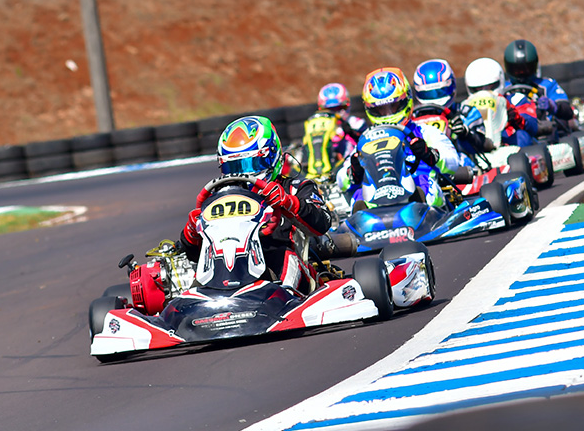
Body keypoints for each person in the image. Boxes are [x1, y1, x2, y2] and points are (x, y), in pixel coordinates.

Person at [176, 115, 332, 295]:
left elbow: (322, 223)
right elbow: (196, 254)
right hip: (231, 271)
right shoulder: (218, 198)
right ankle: (198, 302)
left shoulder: (295, 189)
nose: (243, 173)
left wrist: (289, 203)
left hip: (283, 271)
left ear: (272, 156)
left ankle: (285, 297)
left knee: (281, 256)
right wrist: (191, 233)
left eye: (251, 164)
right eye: (234, 167)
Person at [344, 66, 464, 208]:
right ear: (370, 110)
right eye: (380, 110)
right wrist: (354, 169)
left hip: (418, 188)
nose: (387, 114)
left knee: (425, 187)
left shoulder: (425, 131)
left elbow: (453, 162)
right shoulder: (365, 141)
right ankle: (366, 223)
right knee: (357, 197)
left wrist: (429, 154)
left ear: (405, 101)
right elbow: (341, 179)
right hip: (379, 193)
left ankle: (421, 215)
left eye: (393, 107)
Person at [412, 59, 491, 159]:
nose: (435, 99)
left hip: (461, 166)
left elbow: (483, 145)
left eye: (440, 92)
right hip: (421, 167)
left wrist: (465, 133)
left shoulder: (466, 112)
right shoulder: (412, 119)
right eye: (428, 94)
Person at [502, 39, 575, 136]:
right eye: (517, 70)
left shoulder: (547, 85)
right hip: (513, 134)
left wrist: (553, 106)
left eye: (526, 69)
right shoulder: (503, 88)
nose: (521, 73)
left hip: (544, 134)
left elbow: (568, 111)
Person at [464, 57, 539, 147]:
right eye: (478, 89)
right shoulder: (466, 107)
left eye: (490, 87)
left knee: (522, 136)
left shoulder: (516, 100)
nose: (485, 92)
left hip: (510, 149)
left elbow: (533, 127)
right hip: (479, 147)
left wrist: (516, 117)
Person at [315, 81, 367, 159]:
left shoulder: (357, 123)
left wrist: (351, 133)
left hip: (355, 163)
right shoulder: (318, 128)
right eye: (330, 110)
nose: (335, 113)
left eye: (339, 108)